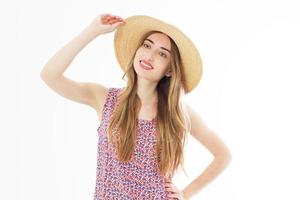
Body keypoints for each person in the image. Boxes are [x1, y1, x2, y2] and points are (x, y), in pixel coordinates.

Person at [40, 13, 231, 200]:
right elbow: (50, 75)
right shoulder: (104, 98)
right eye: (147, 45)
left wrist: (185, 194)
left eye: (162, 54)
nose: (150, 55)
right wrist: (92, 31)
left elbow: (223, 155)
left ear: (170, 69)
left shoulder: (177, 112)